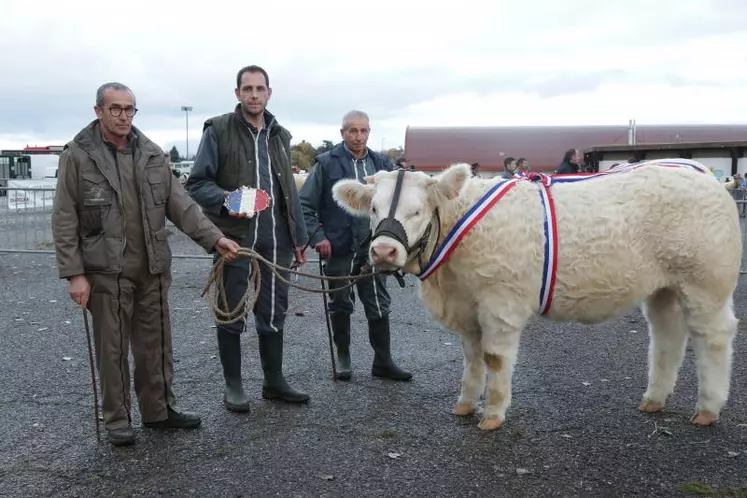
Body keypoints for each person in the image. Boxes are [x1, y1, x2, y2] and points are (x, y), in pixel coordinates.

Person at [51, 82, 241, 447]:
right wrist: (75, 274)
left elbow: (181, 205)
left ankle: (159, 411)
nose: (124, 116)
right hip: (106, 271)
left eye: (129, 109)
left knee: (156, 345)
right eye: (116, 109)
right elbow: (63, 218)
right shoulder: (78, 156)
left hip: (152, 268)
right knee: (112, 349)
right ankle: (117, 419)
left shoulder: (151, 154)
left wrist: (215, 238)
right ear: (99, 112)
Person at [185, 65, 310, 412]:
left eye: (260, 89)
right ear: (237, 93)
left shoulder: (279, 135)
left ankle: (274, 381)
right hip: (234, 239)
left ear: (269, 93)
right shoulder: (218, 130)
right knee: (230, 308)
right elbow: (197, 183)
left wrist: (299, 238)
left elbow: (290, 194)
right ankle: (234, 386)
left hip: (277, 241)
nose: (254, 95)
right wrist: (228, 201)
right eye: (247, 89)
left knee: (273, 309)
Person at [299, 110, 412, 382]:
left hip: (373, 249)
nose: (358, 136)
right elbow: (304, 205)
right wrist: (318, 238)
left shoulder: (382, 164)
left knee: (378, 302)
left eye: (363, 131)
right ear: (342, 133)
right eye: (353, 131)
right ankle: (343, 358)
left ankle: (383, 361)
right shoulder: (326, 164)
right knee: (340, 302)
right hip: (338, 247)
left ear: (369, 132)